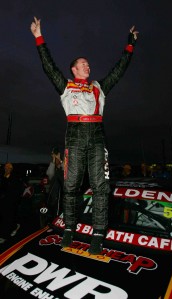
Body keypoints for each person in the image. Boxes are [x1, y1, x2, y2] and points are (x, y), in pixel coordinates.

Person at [30, 17, 139, 254]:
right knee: (71, 185)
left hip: (98, 135)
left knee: (101, 185)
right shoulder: (66, 86)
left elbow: (119, 70)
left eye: (88, 64)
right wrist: (39, 37)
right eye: (83, 63)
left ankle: (98, 233)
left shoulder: (99, 87)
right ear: (74, 68)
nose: (88, 66)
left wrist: (129, 44)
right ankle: (69, 228)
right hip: (75, 135)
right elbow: (48, 66)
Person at [0, 162, 24, 244]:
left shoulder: (15, 178)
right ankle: (15, 226)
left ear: (12, 169)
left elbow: (19, 189)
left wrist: (15, 200)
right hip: (2, 202)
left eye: (9, 167)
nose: (7, 169)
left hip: (10, 202)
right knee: (3, 218)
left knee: (7, 219)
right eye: (6, 167)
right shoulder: (2, 176)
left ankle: (4, 236)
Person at [44, 147, 64, 222]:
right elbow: (49, 174)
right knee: (51, 217)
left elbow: (66, 170)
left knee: (59, 217)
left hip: (62, 198)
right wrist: (53, 160)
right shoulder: (53, 170)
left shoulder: (63, 169)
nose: (56, 160)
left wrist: (60, 159)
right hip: (53, 198)